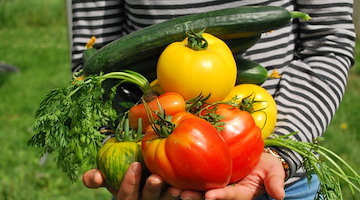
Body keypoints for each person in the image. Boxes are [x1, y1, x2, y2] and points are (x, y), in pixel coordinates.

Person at [67, 0, 356, 199]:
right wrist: (116, 152)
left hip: (280, 182)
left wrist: (281, 154)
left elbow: (328, 44)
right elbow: (94, 66)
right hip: (153, 178)